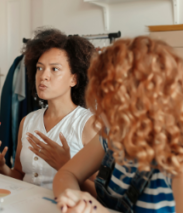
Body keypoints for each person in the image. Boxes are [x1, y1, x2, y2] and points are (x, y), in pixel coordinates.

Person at [53, 36, 183, 212]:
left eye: (107, 99)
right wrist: (75, 200)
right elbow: (66, 174)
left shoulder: (176, 157)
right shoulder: (111, 135)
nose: (99, 108)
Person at [0, 28, 99, 188]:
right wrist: (0, 165)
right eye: (39, 68)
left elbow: (101, 195)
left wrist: (66, 167)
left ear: (73, 79)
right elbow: (19, 175)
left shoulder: (88, 125)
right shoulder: (27, 121)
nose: (43, 76)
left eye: (54, 69)